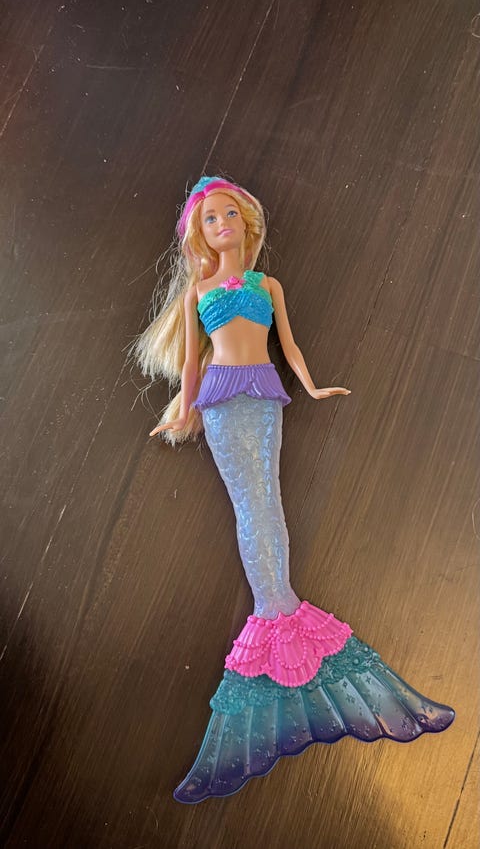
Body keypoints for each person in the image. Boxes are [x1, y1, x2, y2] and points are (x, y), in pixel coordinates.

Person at [128, 175, 454, 804]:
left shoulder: (267, 286)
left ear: (245, 222)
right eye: (210, 218)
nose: (222, 224)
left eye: (229, 214)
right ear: (200, 234)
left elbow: (290, 345)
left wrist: (309, 386)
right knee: (249, 506)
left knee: (269, 504)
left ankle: (279, 615)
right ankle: (277, 616)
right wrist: (182, 410)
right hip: (221, 402)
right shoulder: (198, 293)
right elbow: (192, 363)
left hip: (265, 396)